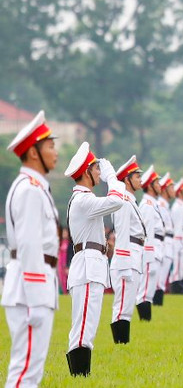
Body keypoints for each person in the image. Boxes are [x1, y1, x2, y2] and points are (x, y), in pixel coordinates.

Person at [2, 110, 60, 388]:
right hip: (28, 288)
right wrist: (38, 298)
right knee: (25, 365)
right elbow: (28, 248)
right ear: (33, 152)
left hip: (33, 286)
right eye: (50, 146)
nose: (55, 152)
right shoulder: (28, 190)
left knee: (31, 364)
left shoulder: (34, 187)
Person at [63, 143, 125, 376]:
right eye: (96, 169)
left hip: (91, 263)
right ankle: (79, 376)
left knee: (87, 324)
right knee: (83, 327)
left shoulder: (83, 199)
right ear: (87, 172)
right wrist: (112, 177)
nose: (99, 173)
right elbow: (117, 200)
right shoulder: (83, 199)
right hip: (88, 266)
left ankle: (81, 375)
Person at [109, 156, 147, 345]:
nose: (141, 180)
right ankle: (121, 345)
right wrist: (124, 263)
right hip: (127, 255)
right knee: (122, 305)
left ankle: (123, 344)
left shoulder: (130, 200)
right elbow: (122, 233)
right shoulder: (123, 201)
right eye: (137, 176)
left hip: (134, 253)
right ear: (127, 179)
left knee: (127, 304)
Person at [136, 166, 164, 321]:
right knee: (145, 289)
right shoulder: (147, 205)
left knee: (150, 287)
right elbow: (146, 231)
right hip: (150, 250)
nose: (160, 186)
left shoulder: (152, 204)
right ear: (150, 186)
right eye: (157, 183)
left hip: (157, 247)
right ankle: (145, 320)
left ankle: (147, 320)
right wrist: (149, 253)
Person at [153, 173, 175, 304]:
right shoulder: (160, 204)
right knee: (159, 277)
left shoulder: (165, 205)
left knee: (163, 275)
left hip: (168, 240)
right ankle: (156, 303)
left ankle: (158, 302)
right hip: (163, 240)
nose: (174, 191)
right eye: (171, 188)